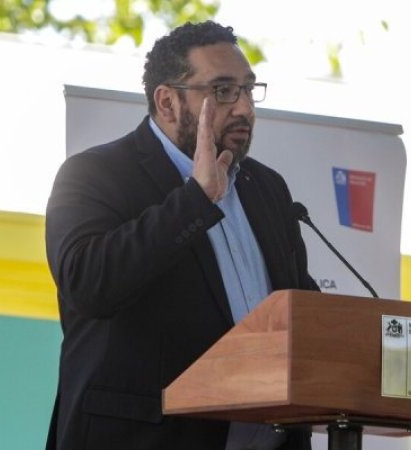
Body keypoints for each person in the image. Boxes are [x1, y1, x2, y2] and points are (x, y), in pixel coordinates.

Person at [45, 20, 318, 450]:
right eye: (223, 90)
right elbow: (89, 284)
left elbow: (301, 309)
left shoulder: (265, 187)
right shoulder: (94, 174)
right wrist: (196, 199)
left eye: (248, 89)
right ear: (167, 102)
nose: (244, 107)